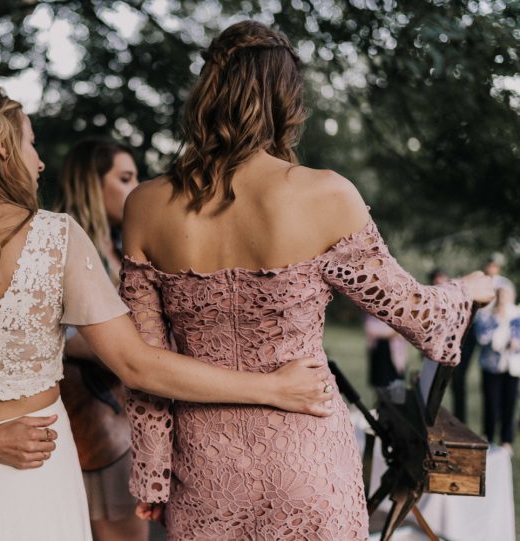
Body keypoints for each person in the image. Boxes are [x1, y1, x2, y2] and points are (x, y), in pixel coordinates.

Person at [0, 82, 340, 541]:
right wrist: (272, 387)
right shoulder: (56, 237)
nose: (41, 162)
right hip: (35, 467)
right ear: (2, 146)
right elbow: (137, 364)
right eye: (32, 143)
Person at [119, 20, 495, 539]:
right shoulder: (327, 196)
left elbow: (143, 370)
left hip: (205, 472)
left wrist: (155, 477)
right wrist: (467, 290)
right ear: (286, 101)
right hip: (308, 461)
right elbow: (419, 318)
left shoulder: (143, 206)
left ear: (205, 91)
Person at [55, 139, 146, 541]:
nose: (136, 188)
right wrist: (134, 351)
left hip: (125, 415)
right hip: (94, 421)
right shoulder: (62, 246)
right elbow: (58, 335)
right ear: (92, 184)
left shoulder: (120, 245)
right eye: (125, 178)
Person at [454, 255, 513, 422]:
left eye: (494, 265)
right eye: (489, 264)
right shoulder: (478, 280)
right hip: (473, 328)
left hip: (493, 331)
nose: (490, 268)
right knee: (460, 370)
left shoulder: (504, 284)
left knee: (492, 375)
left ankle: (495, 422)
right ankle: (460, 417)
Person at [474, 285, 520, 450]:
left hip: (512, 366)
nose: (503, 300)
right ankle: (489, 436)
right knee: (491, 403)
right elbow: (483, 338)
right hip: (491, 366)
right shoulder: (486, 315)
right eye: (500, 296)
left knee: (509, 404)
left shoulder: (516, 314)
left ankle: (506, 440)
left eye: (506, 296)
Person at [364, 314, 408, 389]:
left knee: (396, 386)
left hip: (396, 354)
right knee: (380, 386)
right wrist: (392, 332)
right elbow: (371, 329)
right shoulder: (372, 314)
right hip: (379, 352)